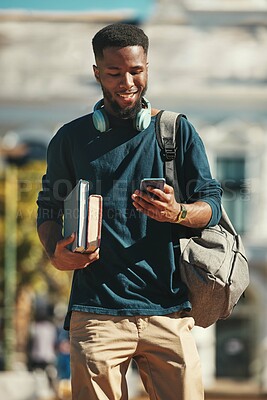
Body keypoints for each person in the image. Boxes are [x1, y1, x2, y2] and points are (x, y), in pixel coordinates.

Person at [37, 23, 222, 400]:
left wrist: (178, 213)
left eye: (136, 71)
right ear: (96, 73)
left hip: (169, 310)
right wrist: (56, 251)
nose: (127, 82)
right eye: (114, 72)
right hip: (96, 314)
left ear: (147, 67)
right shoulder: (70, 139)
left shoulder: (176, 131)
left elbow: (212, 205)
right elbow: (48, 209)